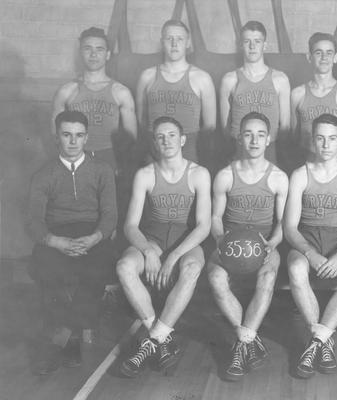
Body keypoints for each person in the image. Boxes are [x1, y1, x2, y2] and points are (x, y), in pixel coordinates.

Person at [116, 116, 211, 377]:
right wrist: (147, 250)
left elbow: (203, 226)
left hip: (186, 240)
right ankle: (161, 337)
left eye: (171, 135)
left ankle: (152, 340)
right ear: (155, 143)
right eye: (160, 137)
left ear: (182, 139)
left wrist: (174, 257)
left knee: (191, 268)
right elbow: (130, 226)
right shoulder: (145, 175)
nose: (166, 141)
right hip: (154, 239)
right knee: (124, 266)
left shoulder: (199, 173)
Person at [28, 110, 117, 375]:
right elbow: (32, 220)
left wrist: (94, 237)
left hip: (93, 235)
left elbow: (111, 214)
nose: (73, 141)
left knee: (97, 271)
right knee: (44, 269)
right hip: (57, 236)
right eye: (67, 135)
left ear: (87, 137)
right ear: (57, 137)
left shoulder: (102, 170)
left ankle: (62, 337)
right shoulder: (44, 174)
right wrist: (55, 241)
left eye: (79, 135)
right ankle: (72, 336)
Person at [207, 112, 289, 381]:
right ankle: (249, 340)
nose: (254, 140)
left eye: (260, 135)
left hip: (263, 244)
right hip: (231, 243)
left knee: (267, 277)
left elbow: (282, 222)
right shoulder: (224, 175)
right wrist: (221, 240)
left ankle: (241, 345)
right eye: (248, 134)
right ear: (239, 137)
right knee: (216, 278)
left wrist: (274, 242)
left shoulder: (278, 177)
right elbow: (216, 218)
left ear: (269, 139)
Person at [284, 113, 337, 379]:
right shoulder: (300, 175)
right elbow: (290, 228)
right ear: (312, 141)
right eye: (320, 138)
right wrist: (310, 253)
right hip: (307, 240)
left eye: (332, 139)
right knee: (296, 268)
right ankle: (324, 342)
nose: (326, 144)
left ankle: (317, 341)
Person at [52, 27, 137, 174]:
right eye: (87, 49)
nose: (93, 54)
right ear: (80, 53)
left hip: (109, 157)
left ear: (108, 54)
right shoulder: (66, 91)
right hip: (76, 157)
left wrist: (121, 164)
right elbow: (55, 135)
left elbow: (131, 138)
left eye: (99, 49)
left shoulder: (121, 92)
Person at [136, 20, 216, 165]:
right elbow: (141, 121)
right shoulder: (147, 76)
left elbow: (209, 127)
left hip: (189, 154)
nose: (174, 44)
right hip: (155, 155)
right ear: (162, 42)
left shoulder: (202, 78)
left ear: (188, 43)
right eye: (169, 39)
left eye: (180, 39)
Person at [219, 21, 290, 165]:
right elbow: (225, 128)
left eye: (257, 41)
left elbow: (285, 126)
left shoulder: (279, 79)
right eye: (247, 41)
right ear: (241, 45)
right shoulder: (230, 79)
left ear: (265, 45)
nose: (252, 46)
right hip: (238, 152)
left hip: (269, 152)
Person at [290, 32, 337, 170]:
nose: (324, 58)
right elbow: (293, 135)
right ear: (309, 57)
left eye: (329, 53)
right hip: (306, 160)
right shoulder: (297, 94)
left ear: (336, 57)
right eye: (318, 53)